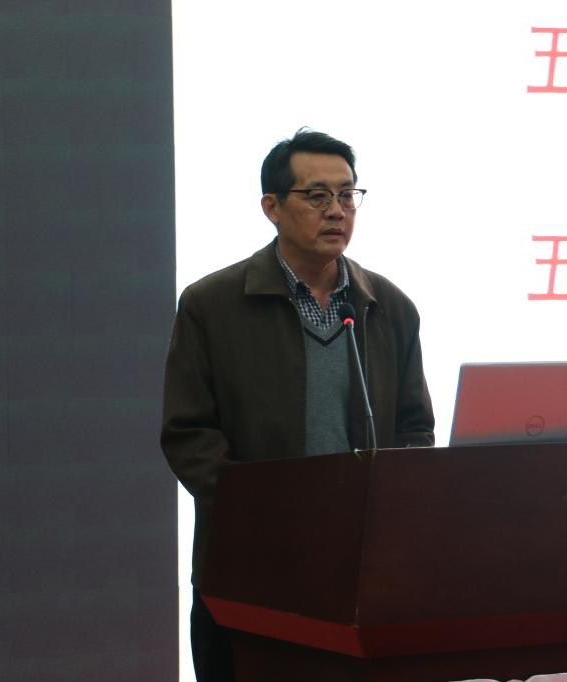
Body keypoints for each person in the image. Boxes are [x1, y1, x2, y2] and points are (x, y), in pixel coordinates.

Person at [160, 129, 435, 681]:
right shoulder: (212, 305)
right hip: (252, 567)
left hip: (362, 569)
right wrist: (268, 513)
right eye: (316, 196)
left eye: (347, 195)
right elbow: (189, 434)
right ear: (272, 207)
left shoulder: (389, 307)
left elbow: (415, 429)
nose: (336, 211)